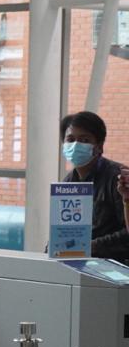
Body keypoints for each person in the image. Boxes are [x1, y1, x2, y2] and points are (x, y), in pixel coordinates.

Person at [60, 111, 129, 263]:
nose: (76, 145)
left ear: (99, 146)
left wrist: (91, 246)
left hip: (116, 268)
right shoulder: (67, 184)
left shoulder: (118, 179)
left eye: (84, 140)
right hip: (80, 264)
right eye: (70, 139)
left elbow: (127, 234)